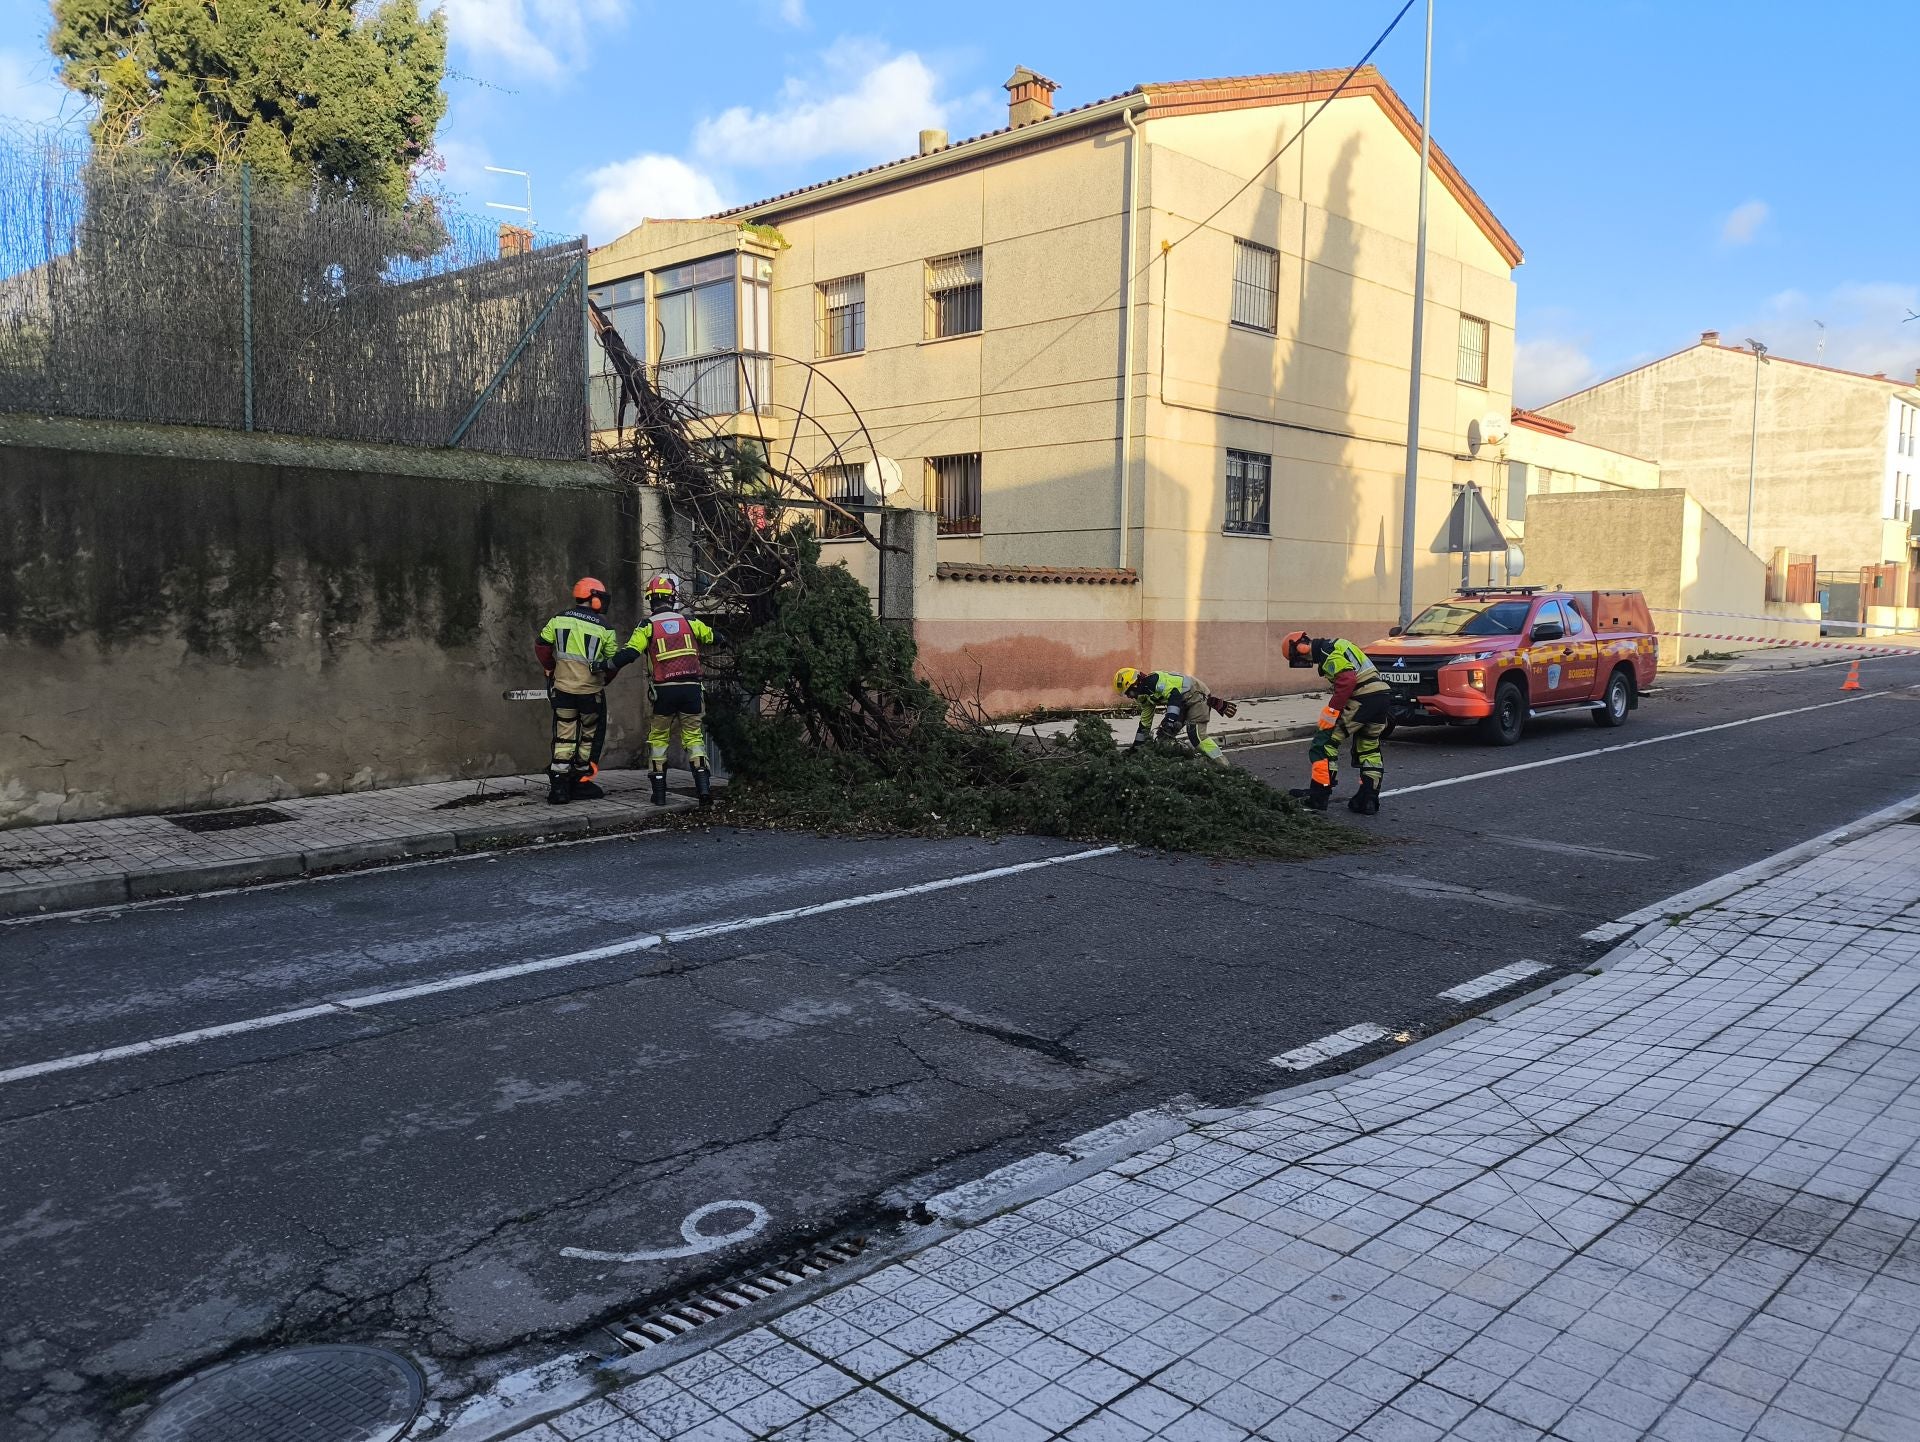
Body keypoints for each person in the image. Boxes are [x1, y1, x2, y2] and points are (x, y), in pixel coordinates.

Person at [611, 574, 718, 807]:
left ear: (651, 601)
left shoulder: (647, 626)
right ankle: (704, 792)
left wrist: (605, 665)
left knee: (659, 740)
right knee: (694, 739)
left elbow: (629, 653)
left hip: (664, 692)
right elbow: (714, 637)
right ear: (673, 599)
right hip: (691, 690)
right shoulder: (690, 622)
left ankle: (659, 795)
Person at [1282, 631, 1391, 814]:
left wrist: (1332, 710)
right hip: (1381, 697)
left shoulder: (1328, 652)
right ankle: (1368, 799)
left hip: (1363, 697)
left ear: (1301, 648)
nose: (1301, 663)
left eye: (1296, 658)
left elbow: (1347, 680)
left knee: (1324, 744)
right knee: (1369, 747)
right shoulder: (1338, 645)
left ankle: (1319, 795)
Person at [535, 577, 621, 804]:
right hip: (590, 692)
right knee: (589, 735)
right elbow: (613, 663)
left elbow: (541, 646)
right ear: (593, 598)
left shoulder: (558, 619)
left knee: (564, 735)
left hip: (562, 688)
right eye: (600, 597)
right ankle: (581, 781)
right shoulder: (605, 627)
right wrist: (604, 681)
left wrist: (551, 668)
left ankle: (559, 788)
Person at [1113, 667, 1231, 767]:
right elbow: (1145, 723)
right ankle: (1185, 762)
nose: (1129, 697)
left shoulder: (1155, 682)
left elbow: (1174, 696)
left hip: (1197, 697)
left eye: (1129, 692)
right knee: (1164, 737)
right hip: (1181, 702)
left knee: (1196, 735)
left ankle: (1223, 765)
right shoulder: (1144, 696)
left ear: (1135, 684)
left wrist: (1170, 720)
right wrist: (1136, 747)